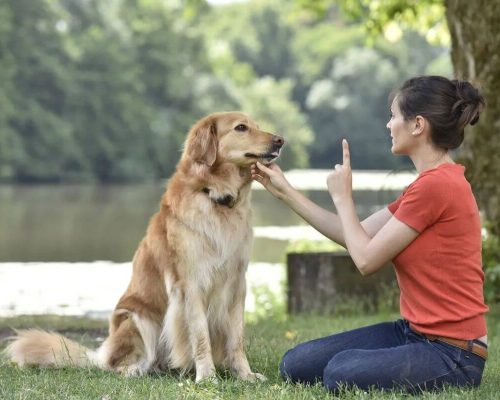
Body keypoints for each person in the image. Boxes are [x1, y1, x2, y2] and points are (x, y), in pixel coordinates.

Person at [251, 75, 488, 393]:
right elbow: (356, 235)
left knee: (339, 373)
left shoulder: (438, 186)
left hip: (454, 353)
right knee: (295, 364)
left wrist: (343, 198)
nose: (389, 125)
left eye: (393, 116)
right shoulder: (425, 186)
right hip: (414, 333)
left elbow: (364, 260)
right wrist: (286, 193)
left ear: (418, 125)